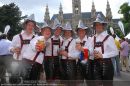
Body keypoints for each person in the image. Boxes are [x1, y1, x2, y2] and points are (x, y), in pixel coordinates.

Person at [89, 14, 118, 86]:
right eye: (96, 25)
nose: (98, 26)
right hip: (95, 65)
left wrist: (103, 55)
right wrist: (89, 53)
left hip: (107, 65)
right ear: (94, 27)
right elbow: (90, 51)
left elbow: (115, 52)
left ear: (103, 26)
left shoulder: (109, 38)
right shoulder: (92, 38)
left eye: (100, 24)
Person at [9, 19, 36, 83]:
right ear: (25, 26)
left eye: (32, 26)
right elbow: (10, 47)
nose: (31, 27)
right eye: (29, 25)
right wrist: (13, 49)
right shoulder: (17, 37)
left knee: (27, 80)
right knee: (14, 80)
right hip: (17, 61)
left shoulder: (36, 38)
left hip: (29, 63)